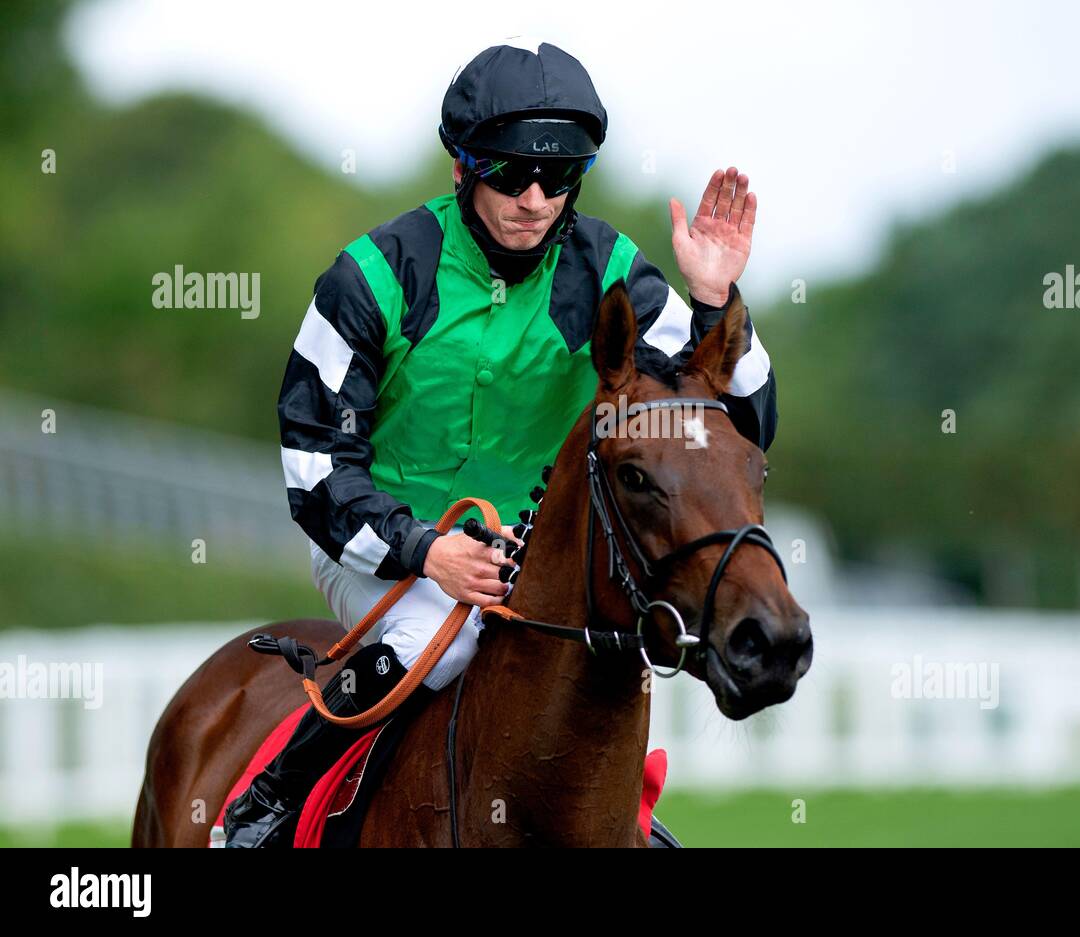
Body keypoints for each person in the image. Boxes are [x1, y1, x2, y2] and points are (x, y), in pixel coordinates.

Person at [223, 36, 776, 847]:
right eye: (510, 174)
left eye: (557, 179)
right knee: (437, 643)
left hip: (533, 550)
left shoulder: (606, 266)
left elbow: (734, 426)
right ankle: (271, 800)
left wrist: (711, 296)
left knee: (602, 661)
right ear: (462, 169)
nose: (534, 198)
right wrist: (425, 550)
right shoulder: (374, 275)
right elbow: (313, 471)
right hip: (379, 545)